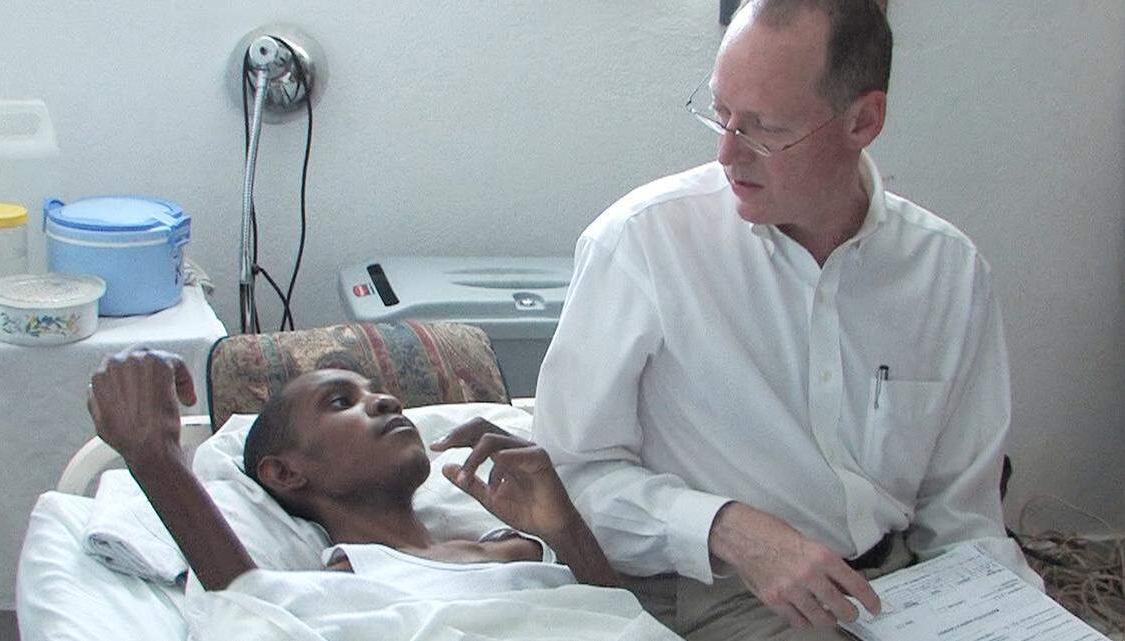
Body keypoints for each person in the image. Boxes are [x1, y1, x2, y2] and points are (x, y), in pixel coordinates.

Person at [531, 1, 1041, 639]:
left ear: (863, 120)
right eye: (721, 114)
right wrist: (729, 527)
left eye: (763, 128)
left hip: (902, 583)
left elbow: (963, 520)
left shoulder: (948, 273)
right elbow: (568, 479)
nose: (727, 154)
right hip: (725, 592)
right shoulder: (642, 244)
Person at [85, 347, 618, 594]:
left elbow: (627, 620)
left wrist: (566, 528)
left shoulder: (526, 543)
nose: (386, 402)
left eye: (379, 392)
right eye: (341, 402)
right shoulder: (349, 577)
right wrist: (154, 457)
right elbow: (250, 615)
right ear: (285, 473)